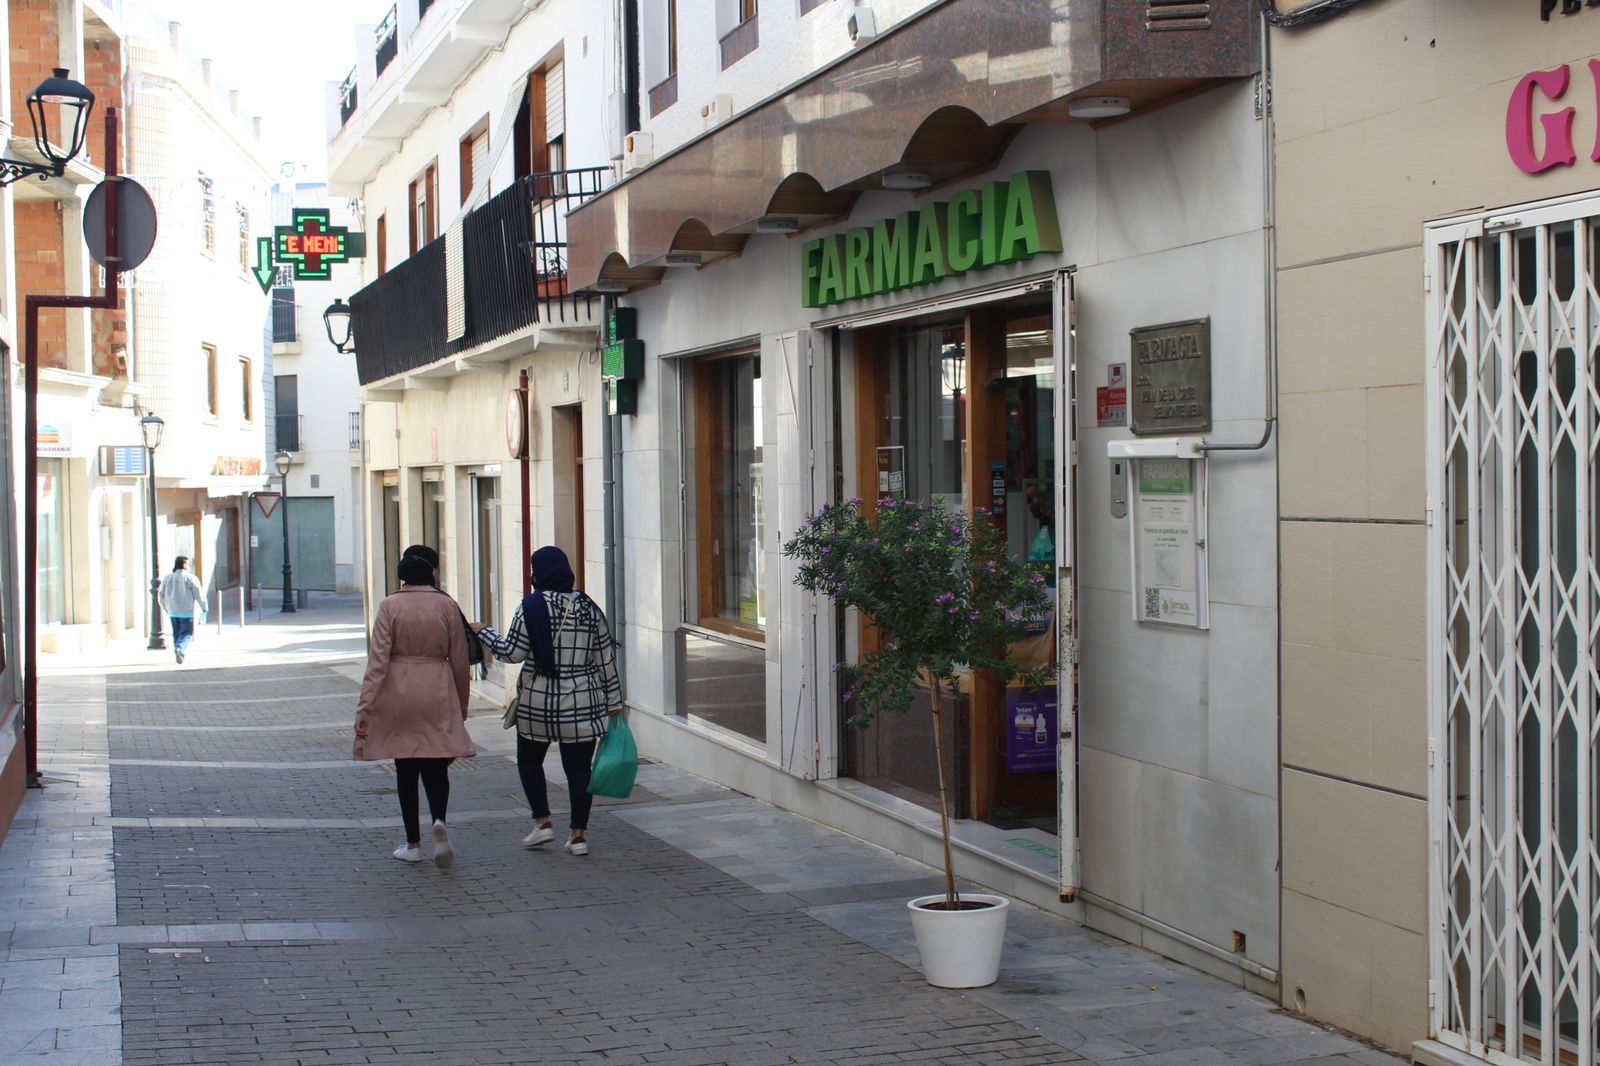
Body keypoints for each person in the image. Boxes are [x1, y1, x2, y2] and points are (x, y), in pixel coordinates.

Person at [473, 546, 622, 856]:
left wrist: (483, 632)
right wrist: (614, 701)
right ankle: (578, 836)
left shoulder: (530, 606)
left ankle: (542, 823)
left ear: (536, 573)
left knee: (529, 761)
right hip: (583, 699)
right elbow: (605, 658)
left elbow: (512, 652)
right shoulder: (589, 608)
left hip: (539, 700)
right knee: (579, 771)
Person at [354, 552, 475, 867]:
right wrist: (461, 706)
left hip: (399, 689)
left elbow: (377, 662)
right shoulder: (446, 605)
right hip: (438, 685)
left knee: (405, 768)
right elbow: (460, 662)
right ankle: (439, 820)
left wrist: (365, 709)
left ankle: (412, 843)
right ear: (432, 574)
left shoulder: (389, 606)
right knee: (436, 765)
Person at [158, 556, 205, 665]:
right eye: (187, 563)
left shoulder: (167, 578)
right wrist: (204, 606)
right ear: (184, 565)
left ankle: (180, 654)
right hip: (187, 611)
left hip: (172, 611)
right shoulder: (191, 578)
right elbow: (199, 594)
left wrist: (165, 607)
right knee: (187, 634)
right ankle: (180, 649)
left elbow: (160, 594)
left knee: (177, 633)